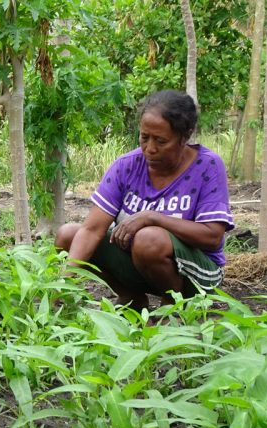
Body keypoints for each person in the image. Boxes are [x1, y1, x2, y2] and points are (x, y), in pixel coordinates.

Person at [55, 90, 233, 311]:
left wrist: (152, 218)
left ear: (185, 137)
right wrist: (62, 285)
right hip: (141, 264)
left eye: (161, 141)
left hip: (198, 273)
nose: (150, 148)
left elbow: (212, 237)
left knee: (148, 239)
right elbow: (91, 230)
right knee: (69, 235)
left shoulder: (207, 166)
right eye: (144, 137)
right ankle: (131, 298)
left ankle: (173, 307)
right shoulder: (127, 165)